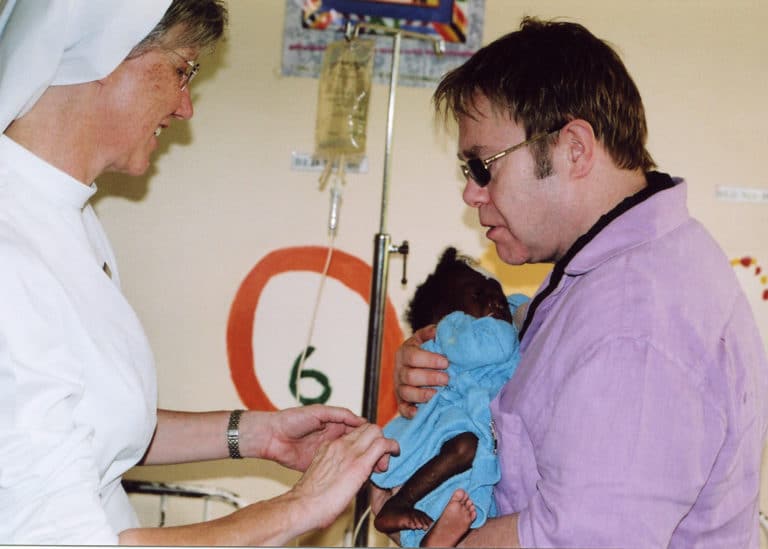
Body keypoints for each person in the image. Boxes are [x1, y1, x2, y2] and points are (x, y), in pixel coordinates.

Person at [0, 1, 398, 545]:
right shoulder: (11, 255)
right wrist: (299, 507)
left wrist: (255, 434)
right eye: (182, 69)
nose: (185, 106)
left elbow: (87, 423)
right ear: (103, 56)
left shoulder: (65, 218)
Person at [382, 16, 768, 548]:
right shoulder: (603, 271)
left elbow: (579, 541)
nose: (471, 195)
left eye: (482, 166)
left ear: (575, 149)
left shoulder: (636, 324)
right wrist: (438, 365)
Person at [370, 246, 528, 547]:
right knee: (465, 447)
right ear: (445, 317)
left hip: (474, 441)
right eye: (477, 295)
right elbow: (499, 343)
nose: (493, 298)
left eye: (495, 290)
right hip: (453, 424)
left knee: (469, 497)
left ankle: (432, 539)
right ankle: (400, 505)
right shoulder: (459, 332)